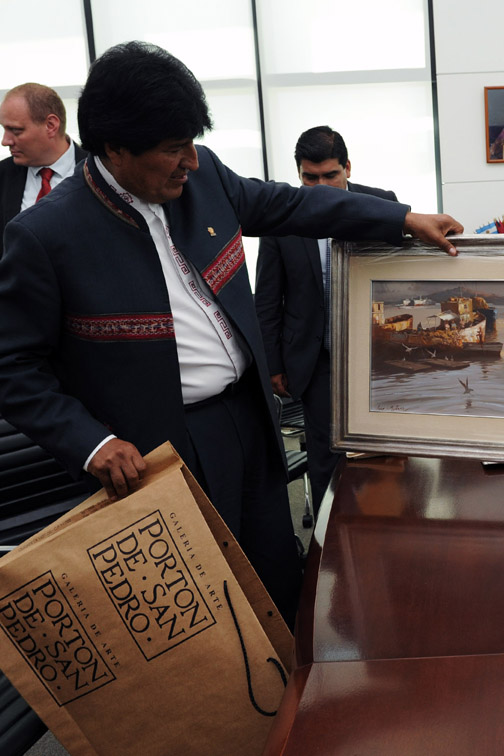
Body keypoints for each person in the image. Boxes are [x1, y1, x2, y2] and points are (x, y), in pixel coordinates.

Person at [0, 41, 462, 626]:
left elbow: (295, 207)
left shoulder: (203, 176)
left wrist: (400, 220)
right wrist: (90, 443)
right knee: (210, 615)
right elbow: (13, 368)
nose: (189, 162)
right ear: (115, 149)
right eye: (172, 151)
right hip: (161, 450)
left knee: (279, 580)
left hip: (250, 418)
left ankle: (300, 707)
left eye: (191, 144)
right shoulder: (46, 235)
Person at [255, 126, 398, 512]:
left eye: (330, 176)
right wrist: (273, 364)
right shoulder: (280, 216)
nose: (320, 187)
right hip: (316, 359)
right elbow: (267, 297)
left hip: (377, 358)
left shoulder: (381, 204)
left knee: (384, 454)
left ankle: (384, 534)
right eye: (309, 178)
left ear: (347, 167)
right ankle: (327, 554)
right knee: (326, 458)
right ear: (298, 174)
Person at [0, 83, 86, 250]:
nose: (5, 141)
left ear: (51, 125)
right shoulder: (3, 176)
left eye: (16, 130)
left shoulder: (102, 171)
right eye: (4, 129)